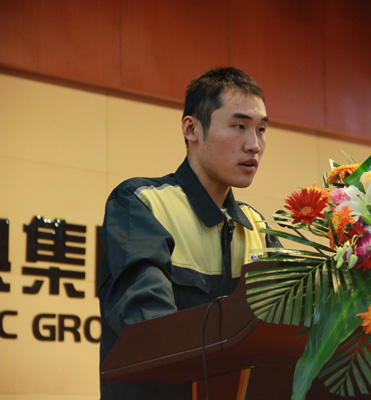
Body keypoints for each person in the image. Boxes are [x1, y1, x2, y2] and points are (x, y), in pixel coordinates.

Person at [98, 67, 280, 400]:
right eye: (239, 126)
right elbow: (150, 330)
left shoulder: (258, 228)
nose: (254, 145)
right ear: (191, 129)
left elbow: (290, 327)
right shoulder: (141, 203)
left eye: (261, 129)